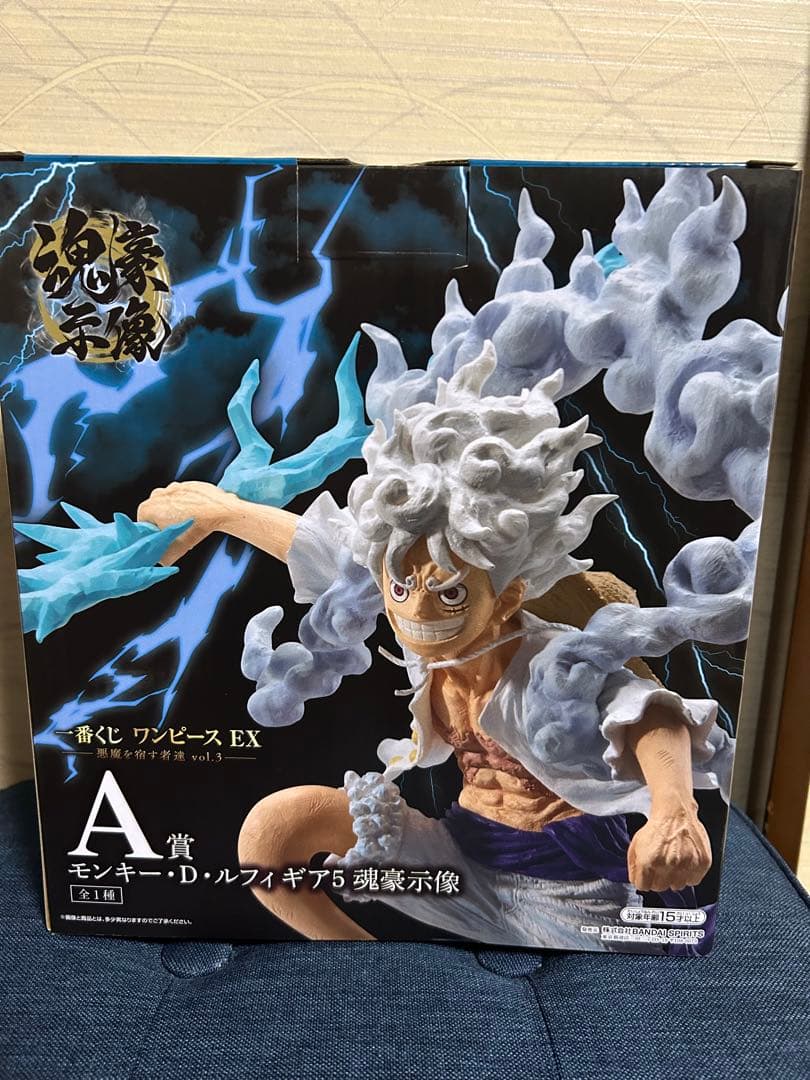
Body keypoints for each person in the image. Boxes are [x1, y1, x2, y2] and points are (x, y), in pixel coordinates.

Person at [138, 346, 722, 949]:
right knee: (275, 831)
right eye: (401, 587)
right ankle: (360, 966)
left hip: (573, 889)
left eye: (449, 594)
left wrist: (675, 812)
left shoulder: (550, 662)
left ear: (506, 598)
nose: (417, 612)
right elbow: (331, 555)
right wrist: (224, 511)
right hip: (459, 862)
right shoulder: (433, 637)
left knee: (642, 968)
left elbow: (651, 713)